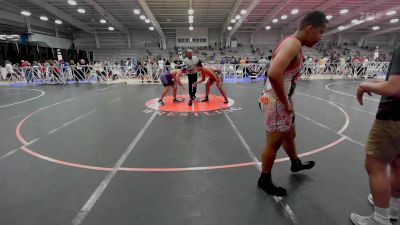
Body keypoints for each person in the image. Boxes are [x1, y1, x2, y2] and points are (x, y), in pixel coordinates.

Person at [257, 10, 328, 196]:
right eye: (320, 32)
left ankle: (295, 162)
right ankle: (264, 179)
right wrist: (284, 101)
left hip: (277, 99)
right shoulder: (292, 44)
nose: (321, 37)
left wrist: (287, 100)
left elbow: (283, 76)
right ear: (310, 28)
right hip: (275, 101)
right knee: (273, 143)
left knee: (290, 133)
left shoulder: (292, 43)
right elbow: (273, 74)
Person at [350, 46, 400, 225]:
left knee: (375, 165)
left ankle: (380, 219)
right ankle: (393, 208)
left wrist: (364, 84)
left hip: (394, 115)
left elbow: (395, 88)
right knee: (397, 164)